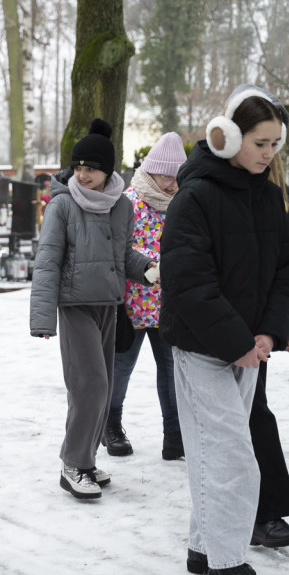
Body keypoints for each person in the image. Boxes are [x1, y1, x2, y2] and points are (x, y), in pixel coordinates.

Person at [161, 85, 289, 575]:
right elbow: (188, 281)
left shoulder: (268, 196)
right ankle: (227, 567)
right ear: (228, 138)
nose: (269, 154)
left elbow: (283, 270)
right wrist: (238, 339)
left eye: (275, 144)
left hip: (249, 348)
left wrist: (276, 328)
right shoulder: (196, 197)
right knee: (232, 457)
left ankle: (205, 546)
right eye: (260, 143)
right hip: (203, 349)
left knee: (212, 450)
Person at [30, 119, 152, 500]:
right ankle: (72, 463)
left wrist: (148, 268)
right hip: (75, 306)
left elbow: (121, 254)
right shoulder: (62, 205)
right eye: (78, 167)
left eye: (92, 168)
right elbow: (47, 260)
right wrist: (42, 317)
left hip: (108, 306)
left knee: (104, 386)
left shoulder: (122, 206)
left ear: (107, 171)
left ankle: (85, 459)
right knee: (90, 385)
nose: (83, 175)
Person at [103, 132, 187, 461]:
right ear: (151, 171)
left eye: (175, 177)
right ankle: (111, 425)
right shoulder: (127, 202)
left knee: (170, 369)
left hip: (169, 306)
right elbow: (116, 249)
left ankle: (175, 435)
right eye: (165, 176)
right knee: (120, 369)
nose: (170, 184)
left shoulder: (182, 204)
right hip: (130, 305)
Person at [247, 153, 289, 549]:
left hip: (259, 331)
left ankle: (263, 512)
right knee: (249, 421)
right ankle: (254, 514)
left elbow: (281, 271)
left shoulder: (275, 198)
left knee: (255, 417)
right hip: (222, 330)